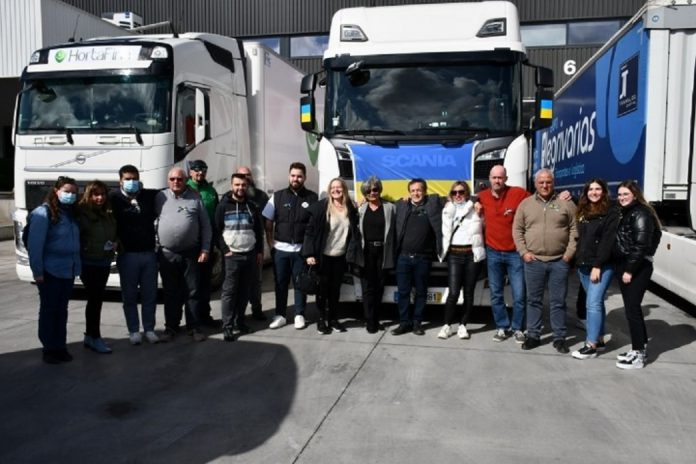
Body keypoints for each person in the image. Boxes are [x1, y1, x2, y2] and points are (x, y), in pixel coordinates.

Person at [513, 168, 577, 353]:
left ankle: (559, 338)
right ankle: (533, 335)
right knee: (533, 300)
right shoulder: (525, 204)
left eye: (548, 181)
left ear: (553, 183)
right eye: (541, 182)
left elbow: (574, 229)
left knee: (558, 301)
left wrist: (568, 254)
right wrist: (524, 252)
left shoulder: (565, 204)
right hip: (534, 261)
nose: (544, 185)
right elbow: (517, 230)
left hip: (559, 261)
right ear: (535, 184)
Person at [27, 176, 81, 364]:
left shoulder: (69, 213)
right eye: (66, 191)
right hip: (50, 272)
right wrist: (38, 272)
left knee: (62, 310)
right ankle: (49, 348)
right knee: (50, 310)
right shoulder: (43, 214)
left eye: (74, 192)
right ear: (56, 191)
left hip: (67, 271)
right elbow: (35, 245)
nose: (70, 195)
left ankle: (60, 346)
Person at [156, 166, 212, 342]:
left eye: (179, 179)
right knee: (171, 292)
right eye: (172, 179)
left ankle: (194, 327)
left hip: (191, 253)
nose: (176, 182)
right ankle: (171, 327)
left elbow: (206, 226)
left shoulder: (195, 197)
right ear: (168, 181)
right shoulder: (160, 197)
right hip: (167, 254)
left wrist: (205, 249)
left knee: (193, 291)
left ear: (185, 180)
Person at [476, 165, 529, 343]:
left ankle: (518, 329)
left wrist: (560, 197)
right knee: (496, 293)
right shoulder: (482, 197)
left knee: (519, 294)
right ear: (489, 179)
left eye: (500, 177)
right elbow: (457, 200)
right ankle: (501, 327)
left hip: (515, 253)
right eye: (494, 177)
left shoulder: (518, 194)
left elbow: (539, 200)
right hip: (493, 253)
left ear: (505, 179)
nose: (497, 181)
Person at [262, 162, 318, 330]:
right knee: (280, 283)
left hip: (301, 250)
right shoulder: (277, 196)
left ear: (305, 178)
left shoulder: (312, 198)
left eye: (299, 176)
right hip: (281, 250)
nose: (296, 179)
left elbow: (314, 225)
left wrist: (310, 249)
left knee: (300, 283)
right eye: (293, 175)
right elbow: (268, 220)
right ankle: (280, 315)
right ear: (289, 176)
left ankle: (299, 314)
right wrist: (270, 242)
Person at [613, 180, 661, 369]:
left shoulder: (640, 213)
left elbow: (640, 245)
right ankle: (637, 348)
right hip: (629, 265)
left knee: (633, 310)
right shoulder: (628, 211)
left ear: (635, 194)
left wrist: (629, 270)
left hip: (636, 268)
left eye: (625, 194)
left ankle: (639, 356)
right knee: (632, 310)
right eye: (619, 194)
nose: (622, 197)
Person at [303, 177, 361, 334]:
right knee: (322, 291)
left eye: (339, 187)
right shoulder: (322, 207)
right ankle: (321, 320)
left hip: (340, 257)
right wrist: (308, 253)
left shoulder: (350, 207)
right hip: (323, 257)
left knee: (335, 291)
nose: (336, 190)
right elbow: (309, 232)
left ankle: (334, 319)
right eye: (333, 187)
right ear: (329, 190)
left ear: (344, 189)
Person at [110, 165, 160, 345]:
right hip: (127, 255)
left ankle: (149, 329)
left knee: (150, 295)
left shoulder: (148, 195)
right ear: (120, 181)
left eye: (134, 178)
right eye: (128, 179)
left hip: (148, 254)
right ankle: (133, 330)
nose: (132, 182)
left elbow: (170, 191)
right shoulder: (113, 198)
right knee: (129, 296)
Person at [571, 178, 619, 360]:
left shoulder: (611, 211)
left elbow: (608, 241)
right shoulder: (583, 210)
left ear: (604, 191)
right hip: (583, 265)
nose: (594, 192)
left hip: (601, 266)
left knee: (592, 303)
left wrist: (598, 265)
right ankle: (598, 339)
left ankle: (590, 345)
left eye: (598, 189)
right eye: (590, 189)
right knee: (596, 303)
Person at [215, 173, 264, 342]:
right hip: (232, 256)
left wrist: (258, 251)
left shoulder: (252, 206)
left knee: (244, 291)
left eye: (243, 185)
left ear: (247, 186)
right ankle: (227, 326)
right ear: (231, 186)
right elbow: (217, 230)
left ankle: (240, 321)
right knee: (229, 292)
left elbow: (258, 230)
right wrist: (225, 250)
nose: (240, 188)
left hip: (249, 254)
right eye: (237, 185)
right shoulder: (223, 206)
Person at [392, 178, 443, 336]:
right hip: (403, 258)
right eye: (413, 190)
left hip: (423, 259)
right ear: (409, 192)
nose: (416, 193)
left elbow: (457, 196)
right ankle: (404, 323)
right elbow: (381, 203)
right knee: (403, 292)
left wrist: (478, 201)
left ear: (425, 191)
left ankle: (417, 323)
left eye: (419, 190)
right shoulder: (402, 205)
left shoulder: (433, 204)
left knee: (421, 292)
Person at [438, 181, 485, 340]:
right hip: (454, 255)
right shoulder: (447, 209)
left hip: (472, 254)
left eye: (461, 192)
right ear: (450, 195)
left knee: (469, 292)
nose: (458, 195)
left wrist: (480, 211)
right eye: (454, 192)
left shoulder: (476, 207)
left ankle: (463, 325)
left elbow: (484, 225)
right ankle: (446, 325)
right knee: (453, 292)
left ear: (467, 192)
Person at [77, 180, 118, 354]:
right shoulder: (82, 213)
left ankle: (90, 336)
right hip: (88, 262)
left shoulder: (108, 212)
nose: (100, 197)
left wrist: (116, 243)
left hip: (103, 261)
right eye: (96, 194)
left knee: (97, 300)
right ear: (89, 195)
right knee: (94, 300)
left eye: (102, 194)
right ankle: (95, 337)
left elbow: (114, 232)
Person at [357, 176, 395, 333]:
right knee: (367, 287)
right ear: (364, 193)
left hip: (383, 252)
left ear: (380, 190)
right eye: (368, 190)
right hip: (366, 252)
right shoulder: (360, 209)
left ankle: (376, 318)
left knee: (380, 287)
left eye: (375, 189)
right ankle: (369, 320)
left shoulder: (390, 207)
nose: (372, 193)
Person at [186, 159, 220, 327]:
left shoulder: (211, 191)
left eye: (203, 170)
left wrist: (215, 244)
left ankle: (205, 316)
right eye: (196, 170)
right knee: (191, 285)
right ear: (190, 172)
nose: (200, 173)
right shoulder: (184, 189)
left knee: (206, 283)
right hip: (189, 245)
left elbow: (216, 219)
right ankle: (191, 320)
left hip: (207, 245)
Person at [236, 166, 269, 321]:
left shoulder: (261, 196)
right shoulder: (229, 198)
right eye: (241, 175)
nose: (245, 178)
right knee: (236, 283)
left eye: (247, 175)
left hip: (255, 246)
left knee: (256, 282)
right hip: (235, 248)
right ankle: (237, 315)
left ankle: (257, 310)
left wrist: (262, 249)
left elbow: (266, 222)